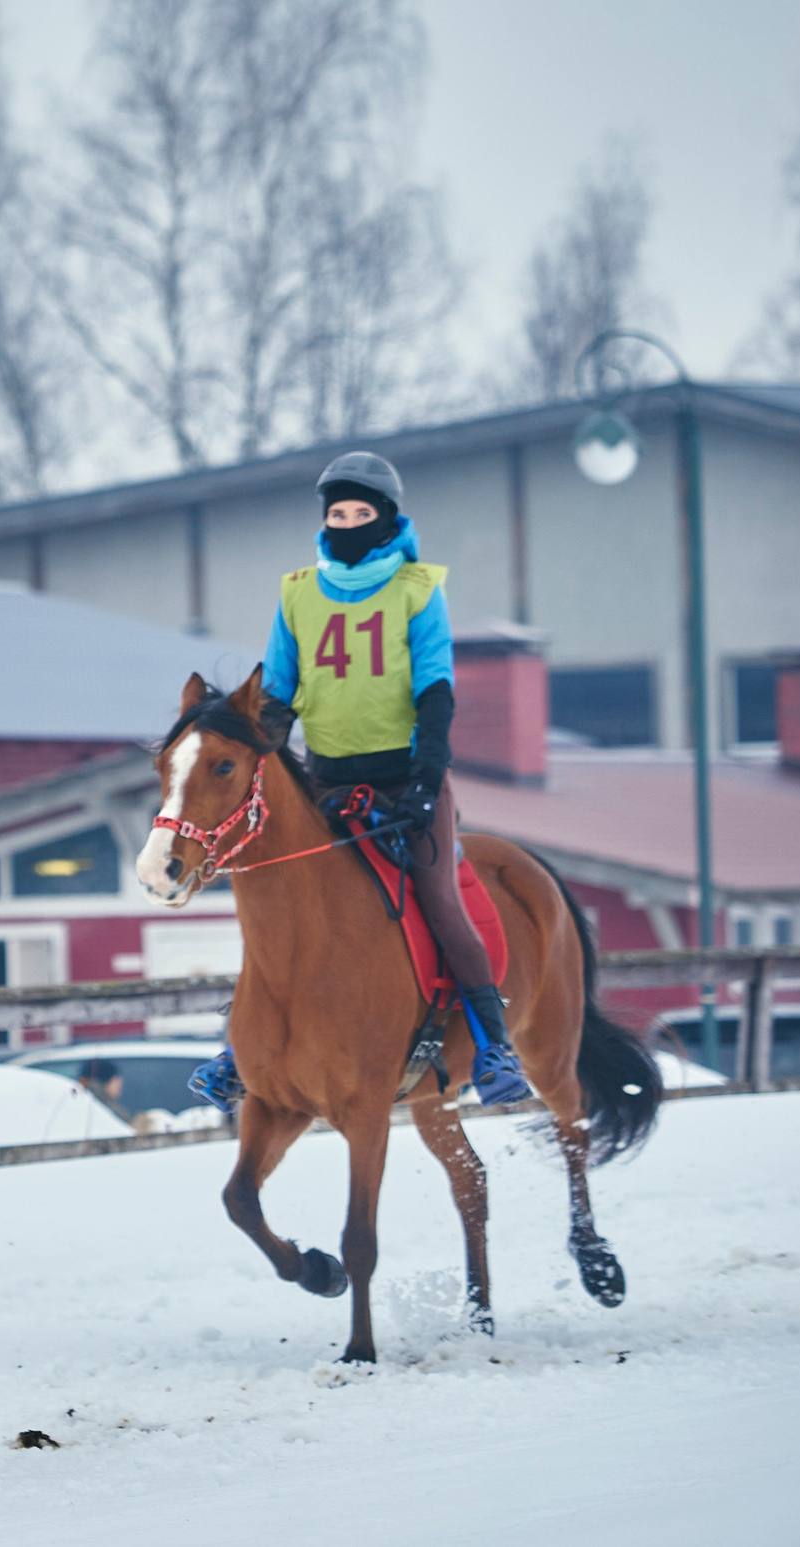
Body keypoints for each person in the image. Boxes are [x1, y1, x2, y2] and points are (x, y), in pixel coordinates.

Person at [192, 452, 532, 1111]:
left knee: (440, 902)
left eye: (360, 513)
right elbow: (279, 693)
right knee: (282, 909)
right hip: (325, 782)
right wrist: (255, 748)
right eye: (338, 514)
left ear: (387, 518)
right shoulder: (298, 591)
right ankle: (239, 1050)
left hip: (406, 781)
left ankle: (494, 1048)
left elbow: (435, 690)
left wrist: (428, 778)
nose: (347, 524)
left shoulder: (418, 588)